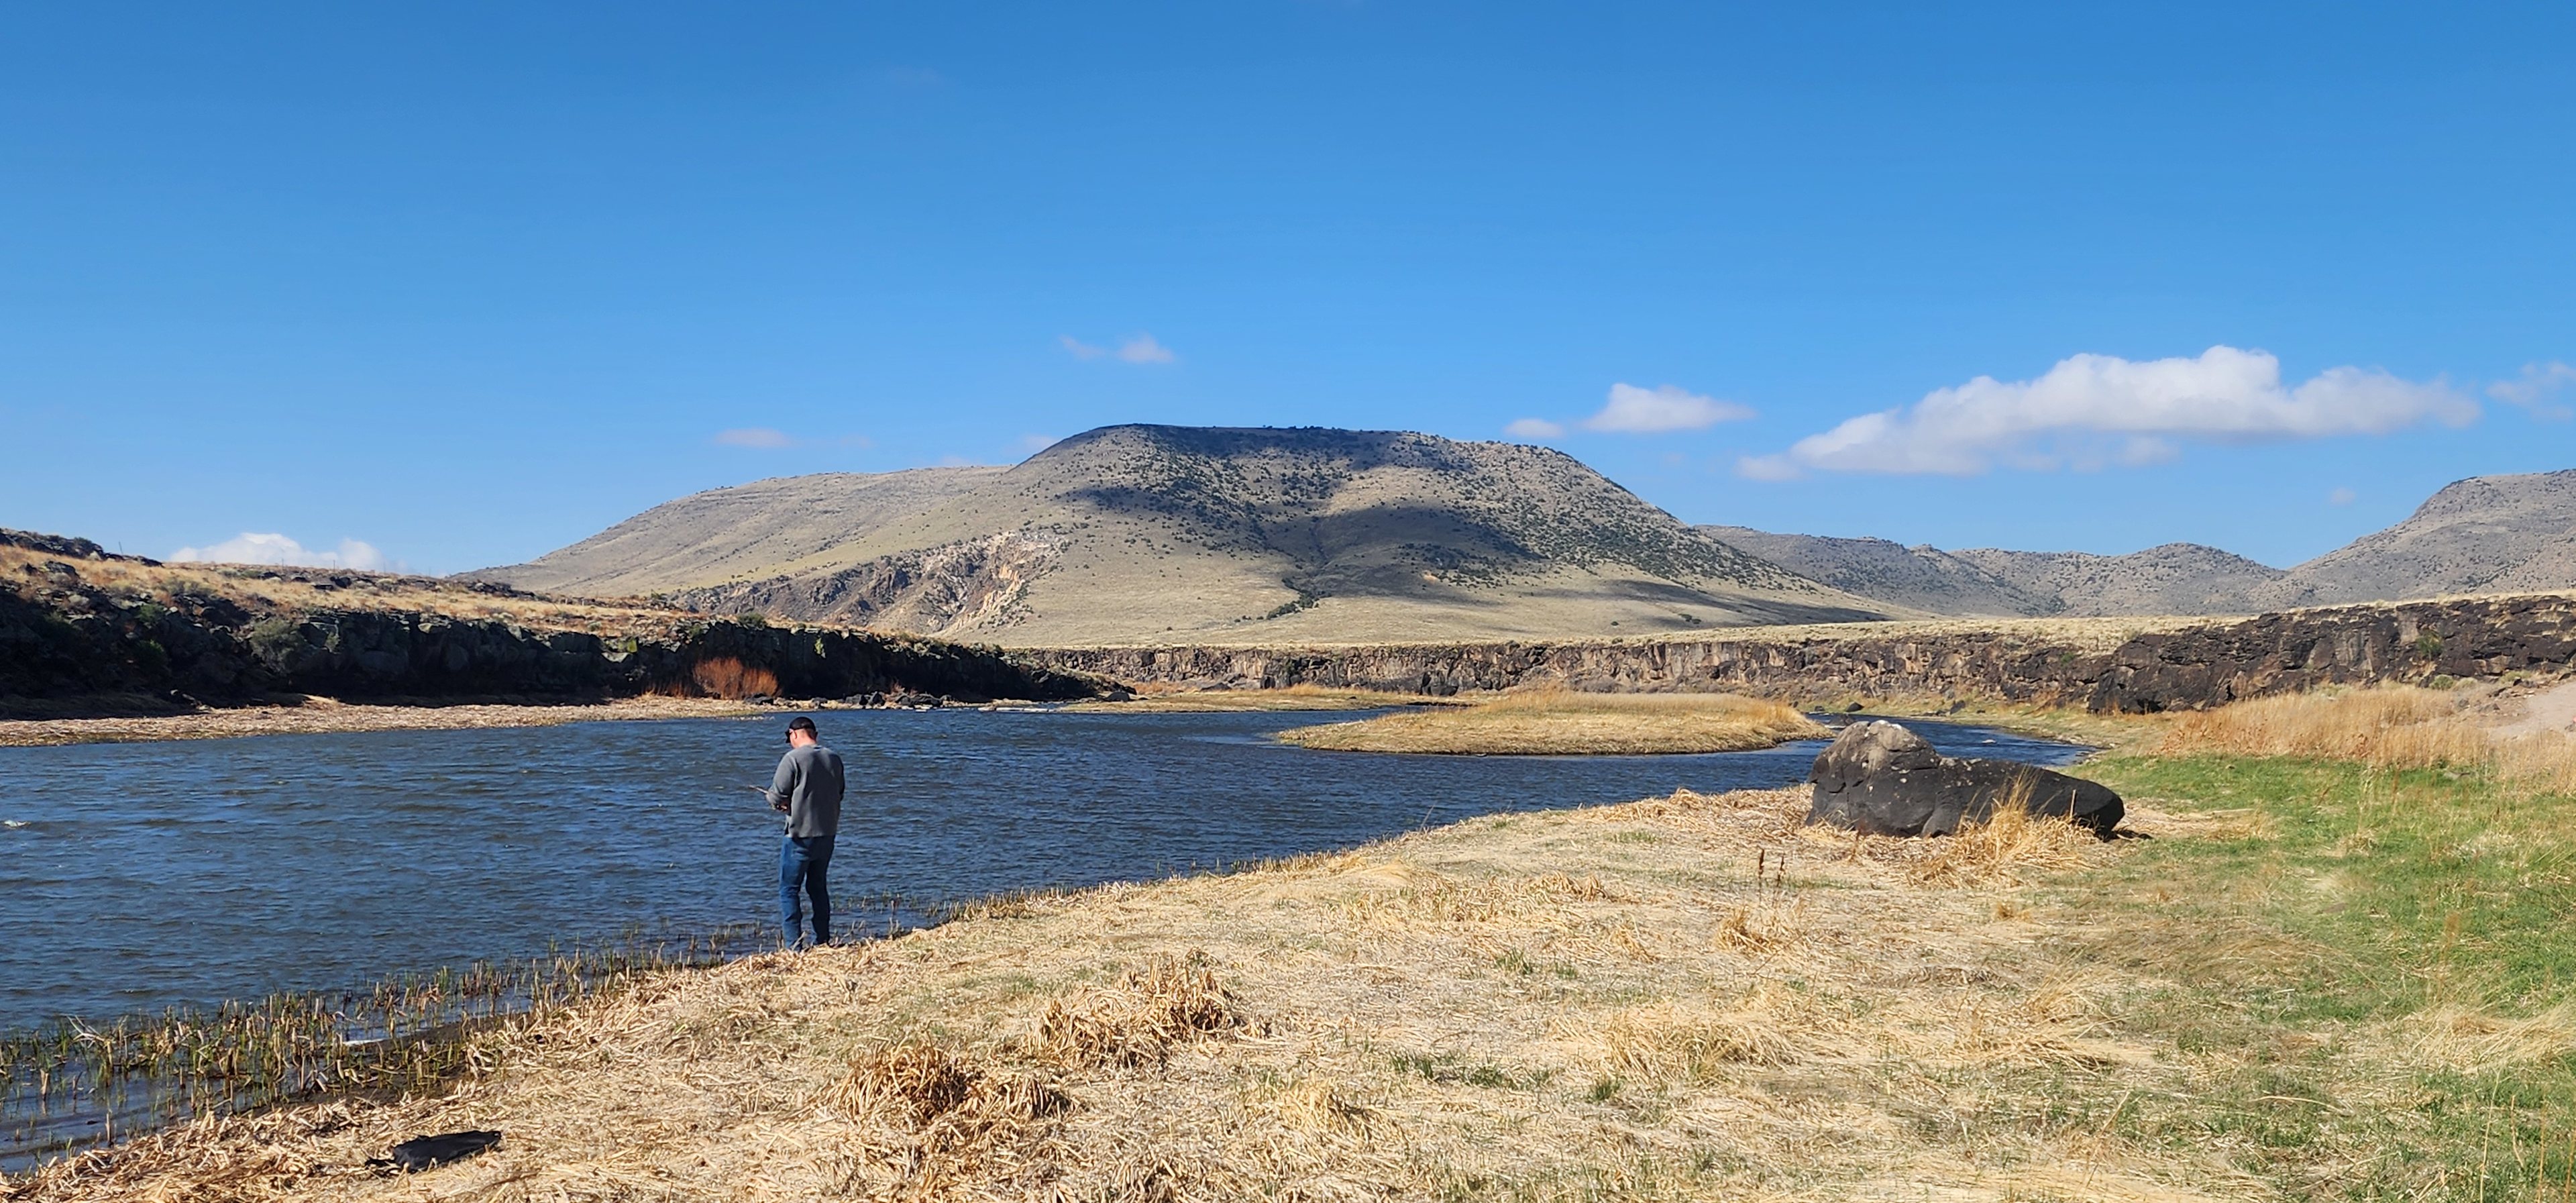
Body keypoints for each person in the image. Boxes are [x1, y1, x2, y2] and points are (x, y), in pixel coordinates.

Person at [763, 715, 845, 949]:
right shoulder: (834, 758)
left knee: (789, 890)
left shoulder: (792, 759)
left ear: (794, 734)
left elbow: (776, 796)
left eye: (788, 737)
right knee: (818, 887)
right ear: (814, 734)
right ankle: (823, 940)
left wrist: (777, 802)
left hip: (799, 837)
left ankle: (794, 947)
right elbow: (839, 793)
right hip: (827, 834)